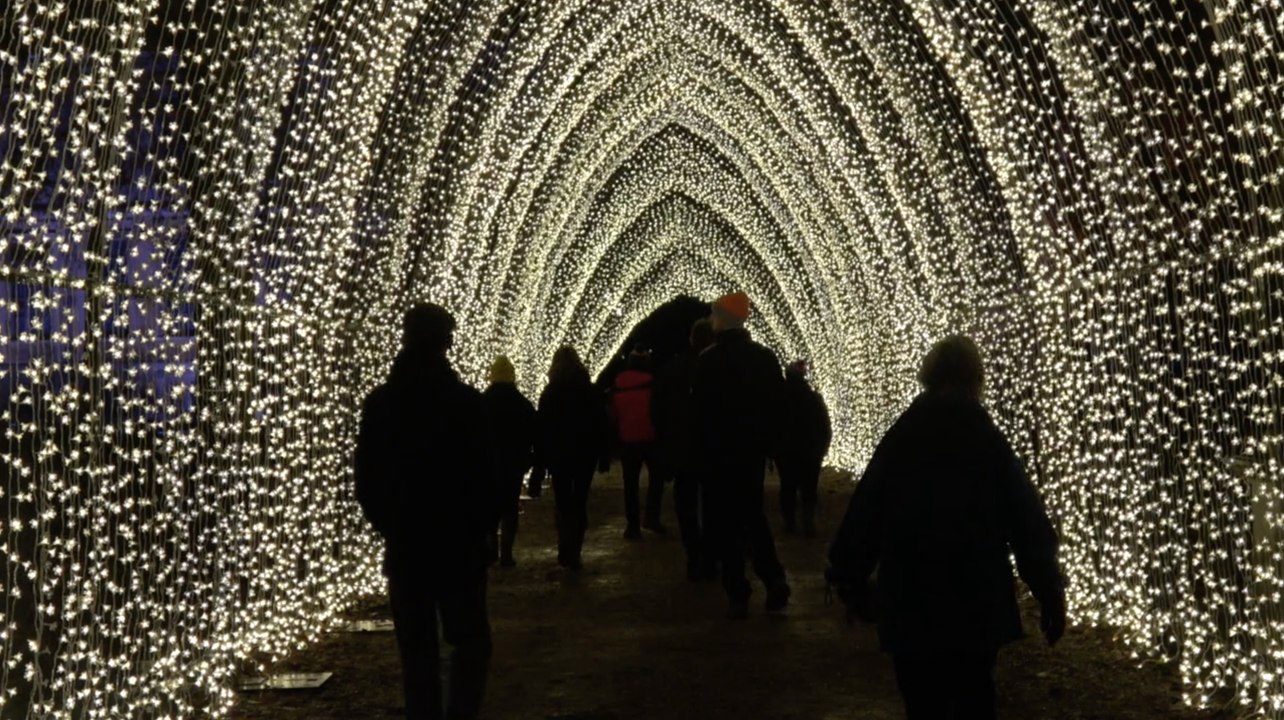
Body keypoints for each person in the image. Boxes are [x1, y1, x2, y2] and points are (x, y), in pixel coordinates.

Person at [826, 335, 1066, 720]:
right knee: (974, 696)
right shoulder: (987, 441)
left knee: (922, 702)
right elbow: (1025, 519)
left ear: (928, 376)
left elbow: (868, 507)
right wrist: (1049, 590)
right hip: (976, 596)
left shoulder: (902, 437)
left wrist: (848, 573)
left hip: (910, 594)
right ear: (976, 378)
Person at [354, 303, 494, 720]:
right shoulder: (466, 402)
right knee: (470, 639)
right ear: (446, 342)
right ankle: (461, 713)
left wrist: (393, 526)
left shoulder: (380, 404)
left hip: (407, 547)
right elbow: (487, 474)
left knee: (416, 651)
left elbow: (367, 481)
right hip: (459, 545)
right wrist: (476, 526)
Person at [692, 292, 791, 618]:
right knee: (752, 515)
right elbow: (777, 405)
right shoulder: (763, 358)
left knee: (723, 522)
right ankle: (773, 577)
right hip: (750, 451)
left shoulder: (708, 361)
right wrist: (770, 444)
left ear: (723, 319)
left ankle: (737, 590)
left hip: (718, 453)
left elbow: (700, 414)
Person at [532, 346, 609, 570]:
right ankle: (575, 549)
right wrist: (603, 454)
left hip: (560, 455)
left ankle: (565, 548)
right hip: (585, 454)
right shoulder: (589, 390)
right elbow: (601, 424)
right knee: (579, 501)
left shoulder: (551, 392)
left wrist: (539, 464)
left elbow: (542, 429)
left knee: (563, 501)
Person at [652, 318, 717, 580]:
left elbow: (657, 410)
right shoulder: (719, 367)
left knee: (687, 506)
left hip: (683, 450)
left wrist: (666, 442)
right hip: (713, 450)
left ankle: (694, 556)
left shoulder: (674, 369)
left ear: (692, 339)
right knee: (713, 505)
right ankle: (710, 558)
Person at [482, 355, 537, 567]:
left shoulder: (482, 402)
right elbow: (534, 432)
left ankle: (491, 550)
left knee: (490, 507)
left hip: (488, 463)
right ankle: (506, 552)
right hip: (514, 463)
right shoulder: (521, 403)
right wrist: (530, 459)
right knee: (509, 507)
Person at [610, 346, 663, 539]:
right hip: (651, 438)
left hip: (628, 439)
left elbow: (614, 415)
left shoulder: (619, 384)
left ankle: (632, 525)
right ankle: (652, 517)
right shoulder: (654, 385)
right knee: (656, 479)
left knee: (630, 483)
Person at [777, 359, 832, 536]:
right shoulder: (813, 398)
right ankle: (807, 523)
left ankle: (790, 523)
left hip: (787, 451)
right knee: (808, 488)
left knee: (788, 487)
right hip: (809, 450)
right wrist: (822, 447)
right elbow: (824, 425)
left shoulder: (781, 398)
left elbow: (774, 424)